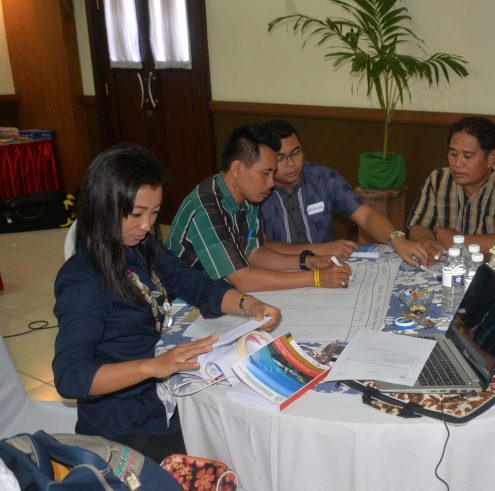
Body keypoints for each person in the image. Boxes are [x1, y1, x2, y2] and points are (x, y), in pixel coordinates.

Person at [53, 144, 282, 463]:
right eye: (136, 214)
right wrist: (154, 366)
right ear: (103, 207)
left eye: (155, 213)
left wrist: (248, 305)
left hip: (161, 406)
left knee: (247, 438)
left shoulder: (138, 247)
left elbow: (192, 283)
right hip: (122, 430)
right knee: (233, 461)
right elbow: (70, 376)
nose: (147, 225)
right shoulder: (82, 279)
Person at [166, 123, 352, 291]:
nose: (271, 183)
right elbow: (243, 280)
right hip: (182, 301)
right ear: (238, 169)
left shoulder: (248, 197)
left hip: (216, 292)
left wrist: (308, 261)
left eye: (273, 173)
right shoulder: (206, 207)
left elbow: (255, 253)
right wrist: (316, 278)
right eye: (265, 173)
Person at [259, 119, 430, 266]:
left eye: (296, 153)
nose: (291, 164)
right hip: (276, 271)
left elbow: (366, 215)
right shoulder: (256, 190)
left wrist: (398, 240)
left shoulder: (323, 179)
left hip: (325, 267)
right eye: (281, 158)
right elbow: (258, 248)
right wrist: (320, 249)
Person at [407, 116, 495, 258]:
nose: (457, 163)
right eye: (453, 154)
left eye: (467, 156)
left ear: (491, 158)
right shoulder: (437, 179)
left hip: (490, 272)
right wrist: (428, 242)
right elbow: (418, 226)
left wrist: (456, 242)